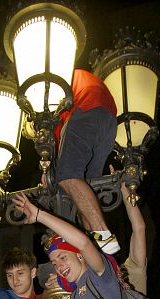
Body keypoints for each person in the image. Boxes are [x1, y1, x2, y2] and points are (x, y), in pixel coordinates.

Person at [53, 68, 119, 255]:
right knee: (83, 190)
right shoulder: (74, 73)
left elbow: (58, 157)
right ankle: (96, 249)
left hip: (86, 107)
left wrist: (46, 170)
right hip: (107, 117)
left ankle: (104, 239)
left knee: (67, 177)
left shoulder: (49, 77)